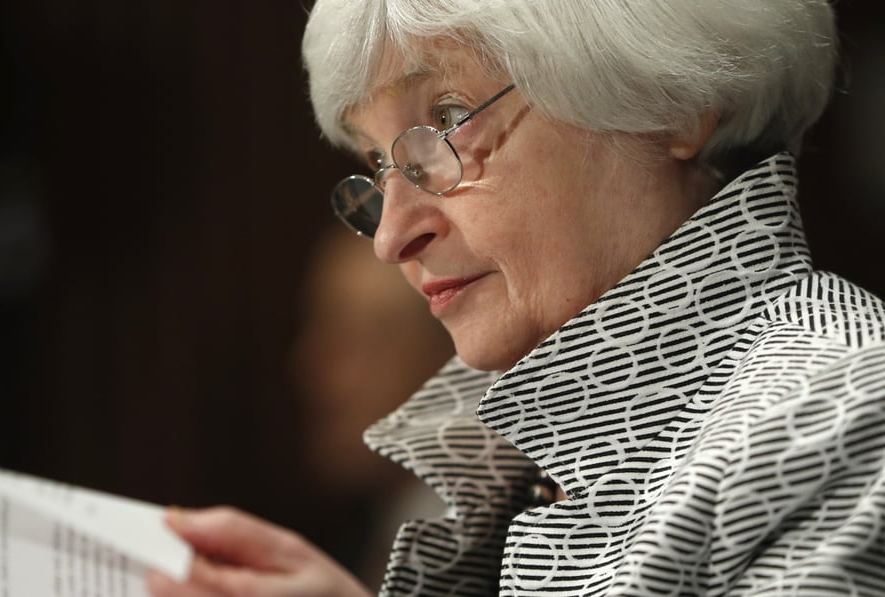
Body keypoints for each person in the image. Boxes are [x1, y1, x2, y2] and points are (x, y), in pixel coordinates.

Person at [149, 1, 885, 595]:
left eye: (446, 120)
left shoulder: (842, 409)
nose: (391, 236)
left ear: (676, 104)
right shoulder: (538, 447)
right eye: (376, 162)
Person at [292, 226, 453, 587]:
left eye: (360, 338)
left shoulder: (521, 559)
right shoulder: (354, 545)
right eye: (320, 326)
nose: (312, 367)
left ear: (452, 358)